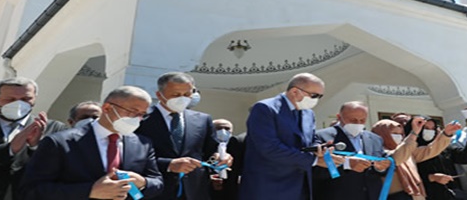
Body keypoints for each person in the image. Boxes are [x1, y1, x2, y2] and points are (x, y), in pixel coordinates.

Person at [20, 86, 164, 199]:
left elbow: (157, 182)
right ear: (107, 108)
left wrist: (143, 183)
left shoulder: (142, 144)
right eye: (132, 111)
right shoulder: (60, 142)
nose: (136, 118)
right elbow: (32, 190)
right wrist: (89, 191)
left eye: (142, 114)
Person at [239, 72, 343, 200]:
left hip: (301, 187)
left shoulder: (308, 113)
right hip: (270, 187)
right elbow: (269, 148)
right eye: (314, 95)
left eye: (320, 96)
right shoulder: (265, 108)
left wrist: (319, 150)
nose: (316, 100)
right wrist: (314, 160)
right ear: (294, 91)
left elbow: (311, 139)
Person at [135, 72, 228, 200]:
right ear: (159, 95)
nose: (182, 98)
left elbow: (211, 151)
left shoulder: (202, 120)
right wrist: (168, 164)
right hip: (155, 191)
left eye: (187, 94)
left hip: (194, 192)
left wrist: (221, 157)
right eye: (175, 95)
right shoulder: (140, 119)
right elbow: (131, 157)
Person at [0, 77, 68, 199]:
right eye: (10, 99)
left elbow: (60, 168)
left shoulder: (55, 129)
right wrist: (9, 149)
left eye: (25, 99)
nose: (18, 105)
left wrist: (35, 147)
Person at [313, 101, 391, 200]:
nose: (358, 123)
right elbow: (314, 170)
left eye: (362, 120)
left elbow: (382, 166)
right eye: (353, 120)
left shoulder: (375, 139)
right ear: (339, 117)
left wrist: (381, 167)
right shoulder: (321, 136)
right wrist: (347, 165)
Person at [371, 116, 459, 200]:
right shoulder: (375, 154)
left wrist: (446, 134)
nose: (399, 137)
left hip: (416, 195)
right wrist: (414, 133)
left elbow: (430, 150)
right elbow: (396, 158)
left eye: (401, 134)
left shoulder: (408, 152)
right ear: (382, 134)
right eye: (394, 133)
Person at [413, 117, 467, 200]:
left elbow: (466, 158)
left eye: (433, 128)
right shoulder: (412, 149)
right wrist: (431, 177)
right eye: (426, 128)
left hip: (451, 192)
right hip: (429, 194)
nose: (430, 131)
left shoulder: (444, 146)